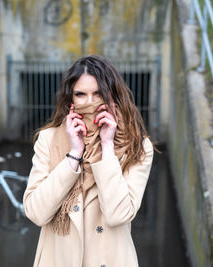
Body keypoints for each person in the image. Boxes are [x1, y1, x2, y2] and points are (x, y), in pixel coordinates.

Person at [23, 55, 154, 267]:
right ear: (70, 100)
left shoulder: (137, 147)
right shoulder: (49, 140)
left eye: (98, 94)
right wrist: (74, 154)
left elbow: (118, 214)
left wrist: (107, 147)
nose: (90, 103)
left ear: (113, 97)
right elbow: (36, 213)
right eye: (80, 95)